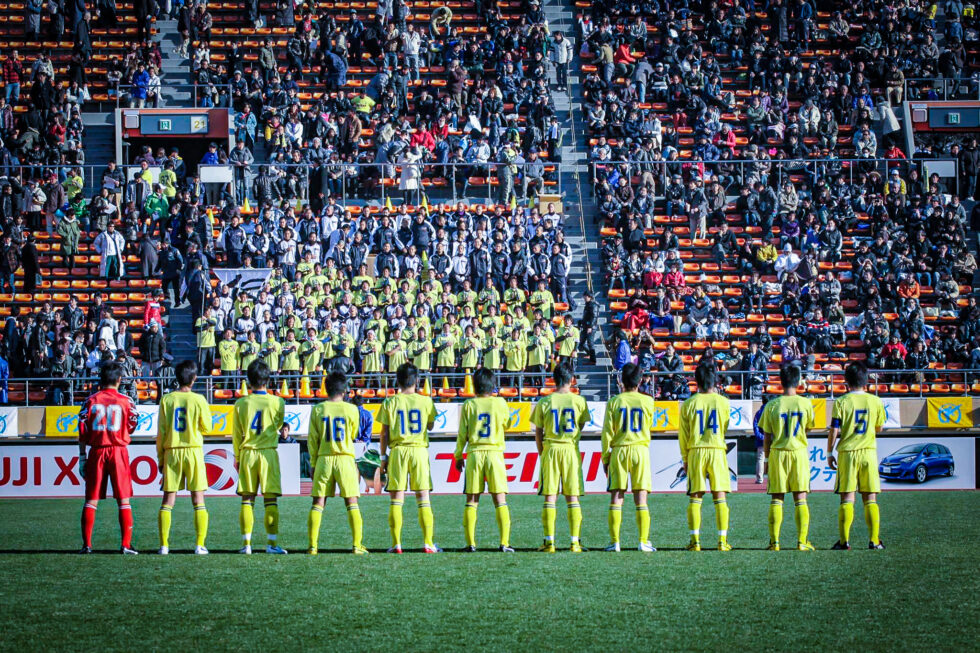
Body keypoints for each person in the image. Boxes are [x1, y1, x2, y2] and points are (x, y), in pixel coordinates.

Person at [377, 362, 440, 553]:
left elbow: (384, 434)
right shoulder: (426, 401)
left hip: (398, 450)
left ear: (398, 380)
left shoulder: (390, 402)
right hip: (419, 450)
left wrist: (383, 457)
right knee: (423, 498)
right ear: (417, 380)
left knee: (396, 499)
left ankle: (397, 544)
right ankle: (428, 543)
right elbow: (430, 426)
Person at [77, 362, 140, 554]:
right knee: (123, 499)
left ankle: (87, 545)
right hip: (118, 450)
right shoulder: (126, 400)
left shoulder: (90, 401)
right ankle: (125, 545)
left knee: (91, 499)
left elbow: (82, 430)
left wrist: (82, 456)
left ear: (101, 380)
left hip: (97, 451)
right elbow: (132, 423)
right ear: (119, 380)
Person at [827, 362, 886, 550]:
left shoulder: (841, 402)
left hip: (848, 453)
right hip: (868, 452)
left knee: (847, 498)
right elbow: (879, 428)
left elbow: (834, 430)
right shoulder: (875, 401)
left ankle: (844, 541)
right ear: (866, 381)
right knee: (870, 498)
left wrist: (829, 452)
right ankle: (874, 541)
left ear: (846, 381)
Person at [530, 363, 589, 553]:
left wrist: (542, 452)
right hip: (570, 449)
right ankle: (574, 542)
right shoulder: (579, 401)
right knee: (572, 497)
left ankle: (550, 542)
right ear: (571, 380)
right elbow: (582, 425)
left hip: (551, 448)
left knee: (550, 497)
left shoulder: (545, 402)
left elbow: (538, 431)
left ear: (553, 380)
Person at [307, 372, 368, 555]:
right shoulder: (352, 409)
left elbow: (313, 439)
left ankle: (312, 546)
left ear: (326, 388)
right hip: (345, 457)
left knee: (318, 502)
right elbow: (353, 433)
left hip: (324, 458)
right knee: (352, 502)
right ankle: (357, 546)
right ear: (344, 390)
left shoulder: (318, 409)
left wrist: (312, 463)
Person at [453, 367, 513, 553]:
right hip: (494, 454)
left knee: (472, 500)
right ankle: (504, 543)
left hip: (475, 454)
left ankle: (471, 544)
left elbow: (462, 433)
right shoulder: (501, 403)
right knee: (500, 500)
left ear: (475, 386)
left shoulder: (469, 405)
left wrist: (457, 455)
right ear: (492, 385)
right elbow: (508, 424)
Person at [156, 360, 212, 555]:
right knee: (198, 499)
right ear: (194, 379)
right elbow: (208, 427)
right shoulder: (199, 399)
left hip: (172, 451)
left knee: (168, 500)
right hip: (194, 451)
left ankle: (164, 545)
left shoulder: (166, 399)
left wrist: (160, 459)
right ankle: (199, 545)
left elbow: (161, 433)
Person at [232, 360, 288, 554]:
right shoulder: (278, 401)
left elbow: (236, 433)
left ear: (248, 380)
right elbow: (279, 424)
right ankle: (272, 545)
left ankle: (246, 545)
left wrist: (237, 457)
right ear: (268, 379)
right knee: (270, 500)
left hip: (247, 453)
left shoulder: (240, 403)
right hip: (268, 453)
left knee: (247, 500)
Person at [758, 365, 815, 551]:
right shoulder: (805, 404)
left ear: (780, 382)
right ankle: (802, 542)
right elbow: (808, 428)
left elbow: (766, 435)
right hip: (798, 453)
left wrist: (766, 460)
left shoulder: (772, 405)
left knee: (777, 498)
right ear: (798, 381)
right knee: (801, 498)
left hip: (778, 453)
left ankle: (774, 542)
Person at [600, 362, 655, 552]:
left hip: (620, 450)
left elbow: (607, 432)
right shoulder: (648, 401)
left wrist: (605, 458)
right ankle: (643, 541)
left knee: (616, 496)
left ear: (622, 381)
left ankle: (615, 542)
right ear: (640, 381)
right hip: (640, 449)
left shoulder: (614, 402)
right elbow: (648, 425)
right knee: (641, 498)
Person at [678, 362, 732, 551]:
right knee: (720, 497)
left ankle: (695, 542)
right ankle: (722, 541)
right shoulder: (723, 402)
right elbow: (724, 426)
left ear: (697, 382)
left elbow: (683, 434)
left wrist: (685, 458)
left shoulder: (689, 404)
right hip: (717, 449)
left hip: (696, 451)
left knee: (695, 497)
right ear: (714, 381)